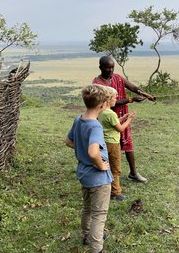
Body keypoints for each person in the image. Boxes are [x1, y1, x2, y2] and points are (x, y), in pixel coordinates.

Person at [65, 84, 113, 253]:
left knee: (87, 208)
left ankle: (86, 235)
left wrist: (82, 150)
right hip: (98, 179)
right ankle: (96, 248)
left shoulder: (79, 120)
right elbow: (94, 152)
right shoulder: (95, 127)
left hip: (84, 174)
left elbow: (68, 140)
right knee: (99, 216)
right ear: (101, 105)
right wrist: (100, 165)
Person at [93, 55, 155, 183]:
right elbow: (110, 103)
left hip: (121, 115)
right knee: (108, 146)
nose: (110, 70)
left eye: (112, 68)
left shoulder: (117, 78)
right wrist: (130, 100)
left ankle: (133, 173)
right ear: (100, 67)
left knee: (127, 143)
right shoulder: (97, 83)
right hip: (107, 118)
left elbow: (132, 87)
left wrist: (145, 94)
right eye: (107, 68)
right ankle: (105, 173)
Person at [99, 86, 136, 201]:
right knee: (115, 168)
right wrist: (129, 119)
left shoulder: (102, 112)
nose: (116, 99)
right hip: (113, 144)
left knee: (106, 165)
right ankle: (116, 192)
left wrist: (122, 118)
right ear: (109, 99)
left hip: (104, 143)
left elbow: (112, 123)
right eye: (115, 97)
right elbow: (120, 129)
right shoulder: (111, 114)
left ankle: (107, 188)